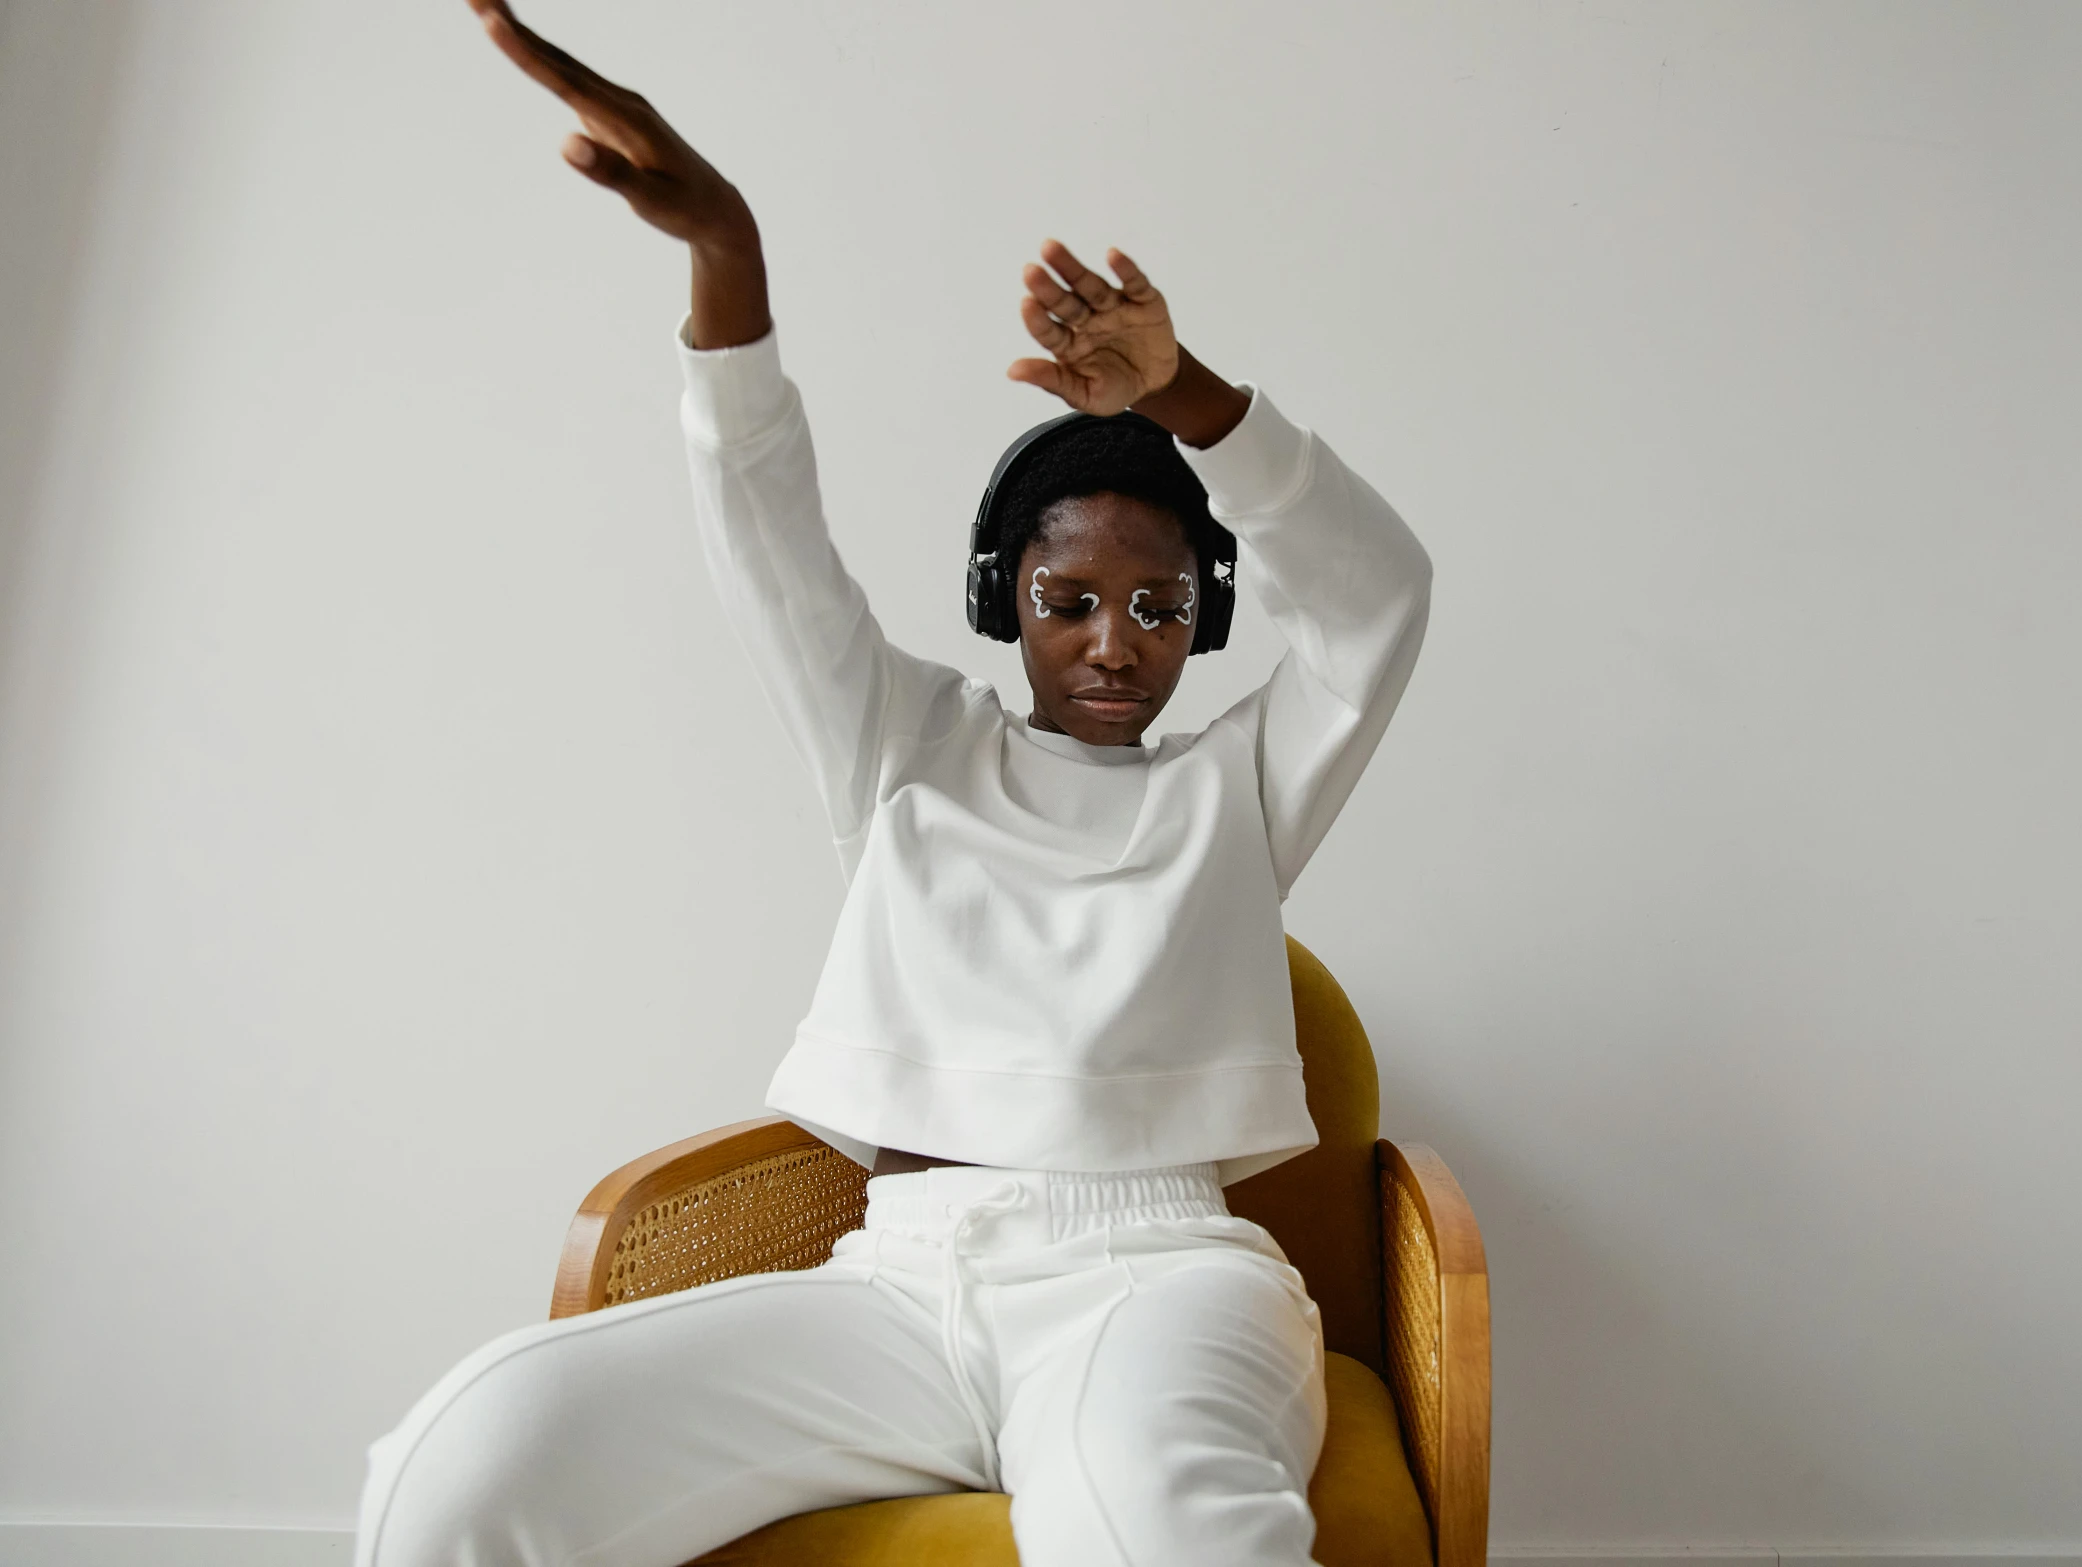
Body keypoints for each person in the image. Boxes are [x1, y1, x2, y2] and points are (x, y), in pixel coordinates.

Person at [354, 4, 1432, 1564]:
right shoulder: (904, 748)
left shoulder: (1241, 787)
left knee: (1161, 1532)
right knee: (462, 1460)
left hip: (1158, 1274)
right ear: (1006, 602)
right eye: (1071, 601)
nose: (1116, 641)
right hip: (898, 1285)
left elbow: (1376, 597)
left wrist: (1186, 393)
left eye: (1159, 605)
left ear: (1204, 622)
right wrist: (727, 258)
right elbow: (766, 534)